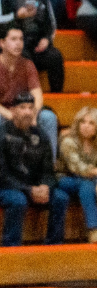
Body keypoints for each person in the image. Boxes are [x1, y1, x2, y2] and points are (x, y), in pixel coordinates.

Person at [0, 91, 67, 245]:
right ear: (12, 111)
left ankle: (53, 246)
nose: (27, 112)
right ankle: (11, 248)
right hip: (6, 187)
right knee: (18, 200)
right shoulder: (2, 134)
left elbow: (48, 170)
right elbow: (2, 174)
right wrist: (28, 189)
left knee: (60, 197)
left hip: (33, 187)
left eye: (31, 108)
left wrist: (45, 185)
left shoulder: (41, 135)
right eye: (22, 107)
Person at [56, 106, 97, 243]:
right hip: (66, 178)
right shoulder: (68, 140)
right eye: (83, 122)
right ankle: (94, 229)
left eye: (91, 123)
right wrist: (95, 171)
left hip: (90, 180)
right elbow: (76, 166)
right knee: (87, 185)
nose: (86, 126)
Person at [1, 0, 64, 92]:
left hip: (36, 42)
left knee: (55, 56)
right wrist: (16, 16)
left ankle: (58, 97)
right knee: (22, 55)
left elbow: (51, 23)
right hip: (12, 44)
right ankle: (24, 99)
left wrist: (46, 39)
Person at [0, 24, 58, 155]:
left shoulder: (27, 64)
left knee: (48, 117)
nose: (18, 43)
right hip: (4, 112)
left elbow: (37, 94)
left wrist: (32, 114)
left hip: (25, 110)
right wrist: (10, 115)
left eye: (21, 39)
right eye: (13, 39)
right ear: (2, 43)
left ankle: (49, 168)